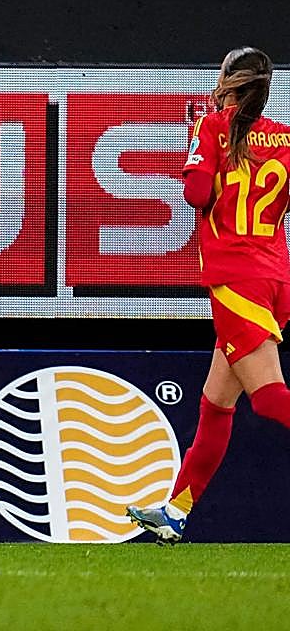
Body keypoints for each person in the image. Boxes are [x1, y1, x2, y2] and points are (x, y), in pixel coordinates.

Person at [128, 48, 290, 544]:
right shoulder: (285, 139)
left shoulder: (213, 126)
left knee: (267, 401)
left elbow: (197, 195)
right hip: (273, 277)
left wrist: (201, 157)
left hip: (235, 279)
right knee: (216, 405)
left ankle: (176, 511)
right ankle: (176, 511)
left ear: (228, 83)